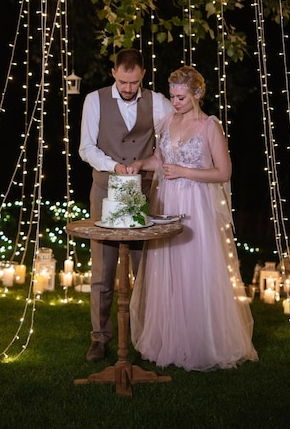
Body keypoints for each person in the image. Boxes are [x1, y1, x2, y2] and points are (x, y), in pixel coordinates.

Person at [128, 65, 258, 371]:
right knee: (168, 269)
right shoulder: (168, 122)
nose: (175, 102)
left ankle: (203, 342)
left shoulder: (209, 126)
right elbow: (160, 160)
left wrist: (185, 171)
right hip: (168, 201)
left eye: (181, 97)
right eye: (172, 96)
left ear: (197, 94)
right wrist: (138, 164)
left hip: (196, 206)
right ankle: (171, 340)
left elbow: (224, 172)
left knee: (195, 269)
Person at [79, 48, 175, 362]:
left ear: (143, 75)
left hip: (144, 196)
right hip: (105, 191)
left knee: (144, 272)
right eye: (123, 81)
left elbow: (173, 141)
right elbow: (86, 147)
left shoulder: (159, 103)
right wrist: (113, 165)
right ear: (114, 73)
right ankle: (99, 338)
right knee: (103, 272)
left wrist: (151, 163)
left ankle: (143, 337)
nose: (128, 88)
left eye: (134, 82)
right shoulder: (94, 100)